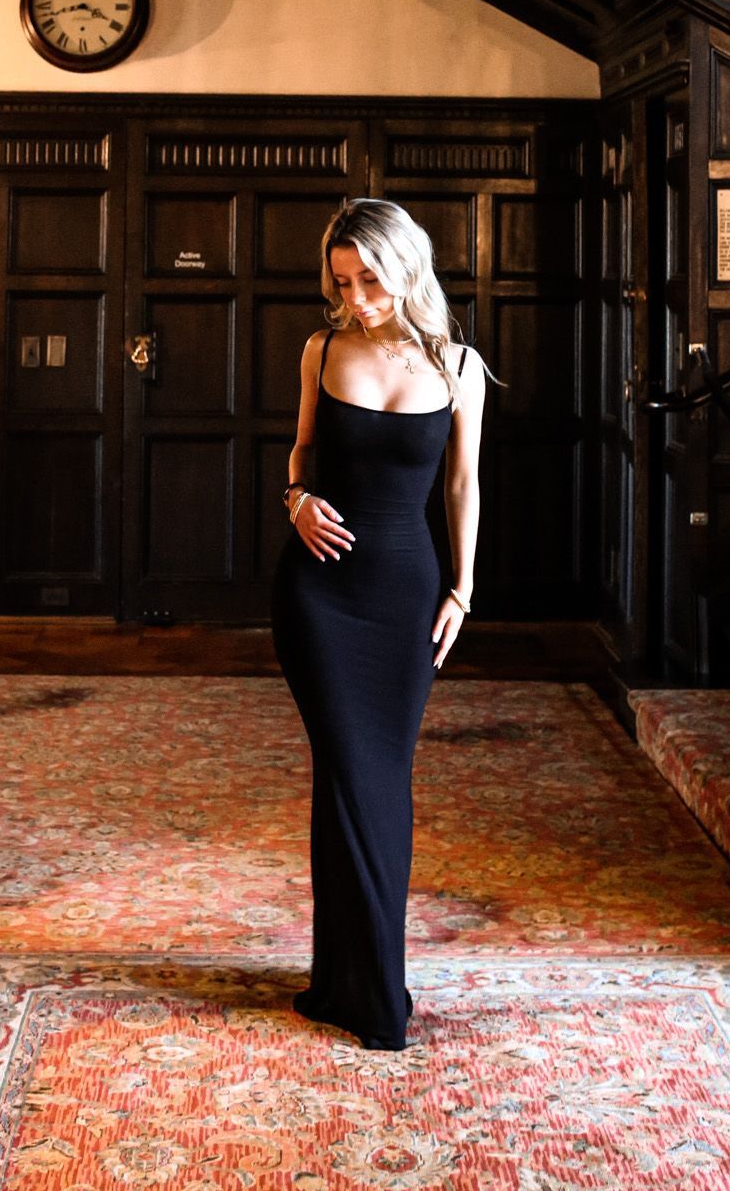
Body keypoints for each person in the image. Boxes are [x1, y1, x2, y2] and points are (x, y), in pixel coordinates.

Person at [269, 196, 488, 1051]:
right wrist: (294, 500)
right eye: (343, 281)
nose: (356, 297)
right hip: (317, 596)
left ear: (406, 266)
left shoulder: (459, 364)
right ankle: (377, 995)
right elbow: (296, 454)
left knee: (372, 781)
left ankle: (342, 982)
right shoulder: (321, 349)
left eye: (369, 279)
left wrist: (463, 591)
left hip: (405, 596)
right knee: (352, 773)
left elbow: (461, 487)